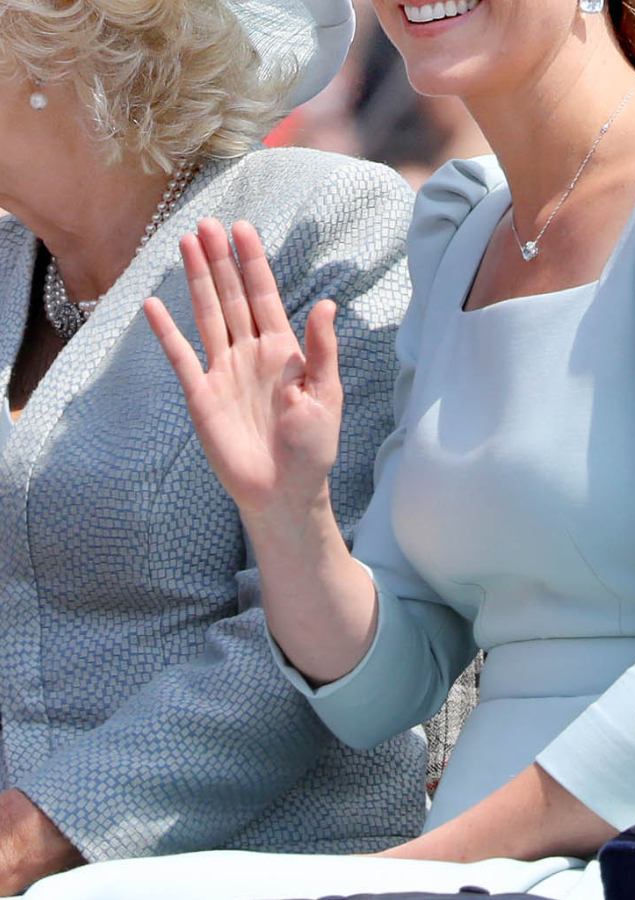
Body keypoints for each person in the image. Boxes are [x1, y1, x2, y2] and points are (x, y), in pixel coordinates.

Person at [18, 0, 635, 896]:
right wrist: (287, 511)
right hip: (471, 859)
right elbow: (385, 684)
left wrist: (405, 869)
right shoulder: (460, 227)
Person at [0, 0, 427, 894]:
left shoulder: (319, 221)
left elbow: (327, 626)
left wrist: (39, 834)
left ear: (52, 44)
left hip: (256, 864)